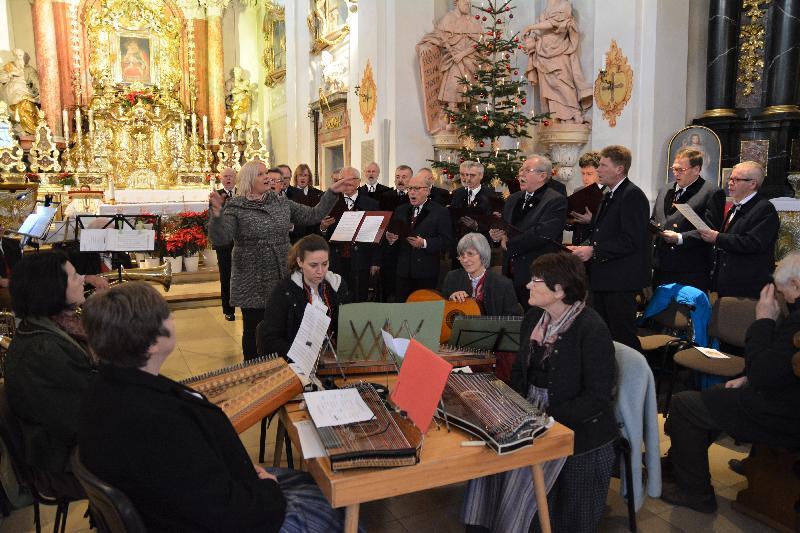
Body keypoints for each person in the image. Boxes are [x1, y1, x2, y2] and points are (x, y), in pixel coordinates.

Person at [78, 282, 350, 532]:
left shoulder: (106, 387)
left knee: (312, 482)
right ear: (151, 342)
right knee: (336, 505)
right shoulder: (155, 421)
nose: (173, 320)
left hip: (199, 499)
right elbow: (225, 513)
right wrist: (266, 488)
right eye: (167, 316)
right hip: (220, 519)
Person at [462, 252, 616, 532]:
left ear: (560, 290)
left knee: (521, 475)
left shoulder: (592, 329)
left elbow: (597, 398)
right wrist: (504, 404)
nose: (528, 285)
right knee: (485, 459)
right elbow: (521, 372)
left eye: (536, 281)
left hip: (575, 422)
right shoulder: (535, 316)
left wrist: (542, 418)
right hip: (533, 408)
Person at [661, 253, 800, 513]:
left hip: (781, 413)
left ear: (796, 285)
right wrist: (748, 377)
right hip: (781, 396)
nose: (781, 300)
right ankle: (680, 461)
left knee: (683, 405)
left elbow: (762, 370)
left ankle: (695, 492)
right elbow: (780, 365)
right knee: (715, 395)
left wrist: (764, 320)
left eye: (782, 293)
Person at [208, 160, 356, 359]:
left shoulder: (280, 202)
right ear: (250, 179)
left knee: (287, 323)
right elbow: (222, 238)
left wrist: (332, 192)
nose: (267, 177)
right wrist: (216, 215)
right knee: (255, 329)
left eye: (266, 173)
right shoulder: (235, 207)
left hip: (282, 272)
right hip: (252, 276)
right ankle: (255, 371)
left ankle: (287, 368)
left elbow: (313, 215)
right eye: (261, 174)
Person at [5, 251, 96, 499]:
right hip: (62, 465)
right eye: (74, 276)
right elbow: (82, 420)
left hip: (70, 443)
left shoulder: (51, 326)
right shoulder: (43, 349)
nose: (82, 280)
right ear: (52, 289)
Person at [568, 145, 650, 351]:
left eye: (603, 165)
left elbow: (631, 239)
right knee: (603, 334)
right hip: (604, 277)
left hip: (621, 280)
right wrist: (583, 247)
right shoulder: (609, 194)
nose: (599, 170)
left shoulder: (632, 195)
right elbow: (602, 232)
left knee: (623, 337)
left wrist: (593, 250)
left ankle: (633, 380)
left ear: (619, 169)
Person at [491, 155, 568, 309]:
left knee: (536, 319)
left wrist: (509, 243)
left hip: (537, 274)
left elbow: (542, 234)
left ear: (542, 176)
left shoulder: (555, 200)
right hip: (511, 271)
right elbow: (506, 228)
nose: (521, 175)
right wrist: (497, 235)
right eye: (520, 170)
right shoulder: (513, 199)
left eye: (527, 170)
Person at [260, 235, 351, 358]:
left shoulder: (337, 286)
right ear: (300, 262)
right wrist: (301, 356)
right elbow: (270, 339)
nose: (320, 271)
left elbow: (347, 330)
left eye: (325, 264)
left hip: (332, 358)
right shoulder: (284, 291)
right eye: (313, 265)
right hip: (295, 361)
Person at [700, 161, 779, 299]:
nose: (730, 183)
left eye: (736, 179)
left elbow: (754, 242)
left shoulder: (764, 209)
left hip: (747, 286)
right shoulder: (735, 206)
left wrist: (717, 238)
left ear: (752, 184)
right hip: (728, 282)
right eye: (730, 178)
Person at [651, 148, 725, 291]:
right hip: (662, 265)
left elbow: (711, 230)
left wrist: (679, 237)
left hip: (690, 269)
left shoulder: (711, 192)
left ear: (696, 169)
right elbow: (656, 218)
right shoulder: (665, 190)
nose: (676, 173)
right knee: (659, 311)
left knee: (686, 311)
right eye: (674, 169)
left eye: (681, 170)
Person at [417, 0, 482, 132]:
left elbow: (478, 43)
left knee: (467, 92)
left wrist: (462, 55)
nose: (467, 4)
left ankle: (465, 121)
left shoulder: (473, 21)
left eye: (469, 2)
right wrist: (425, 45)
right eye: (464, 1)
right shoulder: (448, 19)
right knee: (452, 89)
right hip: (452, 62)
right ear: (456, 2)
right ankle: (451, 120)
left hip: (468, 61)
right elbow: (437, 37)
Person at [385, 173, 453, 301]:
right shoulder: (401, 210)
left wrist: (424, 243)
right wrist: (390, 239)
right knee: (402, 309)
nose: (411, 192)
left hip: (425, 271)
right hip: (403, 271)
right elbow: (394, 235)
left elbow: (446, 241)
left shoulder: (440, 212)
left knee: (422, 311)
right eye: (410, 188)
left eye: (416, 189)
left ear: (427, 191)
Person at [522, 0, 592, 124]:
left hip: (559, 49)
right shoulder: (544, 11)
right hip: (542, 52)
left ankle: (575, 112)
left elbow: (554, 23)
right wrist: (531, 41)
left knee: (563, 82)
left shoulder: (564, 5)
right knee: (547, 87)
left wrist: (530, 27)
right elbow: (540, 32)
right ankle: (552, 116)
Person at [319, 167, 380, 302]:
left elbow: (376, 234)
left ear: (358, 182)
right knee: (337, 298)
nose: (346, 183)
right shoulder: (330, 201)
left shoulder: (371, 204)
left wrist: (375, 261)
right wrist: (323, 228)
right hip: (337, 260)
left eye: (350, 179)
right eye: (342, 180)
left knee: (359, 298)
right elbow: (322, 234)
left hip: (361, 259)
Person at [441, 233, 520, 316]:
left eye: (470, 254)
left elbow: (512, 323)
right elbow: (440, 315)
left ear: (483, 254)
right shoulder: (452, 278)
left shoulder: (503, 284)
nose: (465, 260)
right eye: (462, 255)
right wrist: (449, 301)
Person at [214, 168, 237, 320]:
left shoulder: (243, 193)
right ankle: (228, 310)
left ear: (236, 178)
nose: (228, 179)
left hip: (243, 241)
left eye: (231, 176)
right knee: (226, 275)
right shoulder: (216, 196)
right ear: (221, 179)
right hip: (224, 243)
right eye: (225, 176)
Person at [568, 151, 604, 245]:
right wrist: (569, 221)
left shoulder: (607, 193)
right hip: (577, 244)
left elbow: (610, 225)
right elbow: (572, 224)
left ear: (599, 172)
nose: (585, 178)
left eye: (589, 174)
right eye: (583, 173)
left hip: (595, 245)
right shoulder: (578, 191)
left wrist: (591, 220)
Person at [287, 163, 323, 243]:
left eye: (305, 175)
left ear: (309, 178)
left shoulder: (318, 194)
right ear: (296, 177)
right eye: (300, 175)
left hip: (313, 238)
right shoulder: (288, 194)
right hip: (294, 239)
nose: (302, 178)